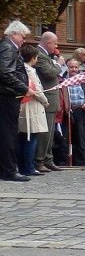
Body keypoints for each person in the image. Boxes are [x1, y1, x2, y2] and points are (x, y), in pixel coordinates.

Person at [0, 20, 34, 182]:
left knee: (7, 134)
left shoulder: (8, 47)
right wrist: (24, 88)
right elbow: (5, 72)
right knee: (8, 135)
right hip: (7, 97)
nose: (24, 40)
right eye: (22, 36)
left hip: (9, 96)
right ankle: (8, 170)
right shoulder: (8, 48)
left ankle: (7, 169)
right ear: (13, 34)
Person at [33, 31, 65, 173]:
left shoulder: (46, 55)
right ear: (48, 43)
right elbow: (49, 73)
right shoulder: (39, 55)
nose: (56, 46)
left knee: (50, 133)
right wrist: (58, 65)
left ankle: (48, 158)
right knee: (44, 133)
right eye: (55, 43)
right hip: (45, 99)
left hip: (51, 100)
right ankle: (40, 160)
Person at [17, 44, 49, 177]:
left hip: (26, 106)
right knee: (31, 137)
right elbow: (37, 90)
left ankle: (23, 166)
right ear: (33, 58)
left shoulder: (22, 69)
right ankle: (28, 167)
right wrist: (45, 101)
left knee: (24, 138)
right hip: (32, 107)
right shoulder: (29, 70)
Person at [64, 58, 85, 166]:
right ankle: (66, 162)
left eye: (76, 67)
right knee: (66, 139)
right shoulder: (63, 79)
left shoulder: (84, 79)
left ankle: (81, 163)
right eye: (71, 67)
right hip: (67, 112)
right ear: (67, 68)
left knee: (80, 139)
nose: (74, 69)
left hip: (81, 111)